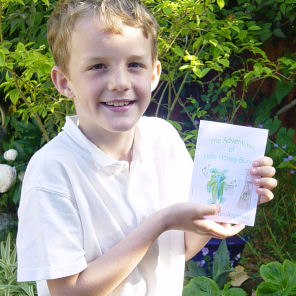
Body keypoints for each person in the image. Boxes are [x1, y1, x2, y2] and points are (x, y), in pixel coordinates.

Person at [16, 0, 277, 295]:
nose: (119, 82)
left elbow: (180, 248)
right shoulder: (52, 171)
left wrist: (228, 199)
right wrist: (159, 224)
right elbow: (67, 292)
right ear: (65, 81)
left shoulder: (163, 139)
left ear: (153, 75)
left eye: (135, 65)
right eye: (98, 66)